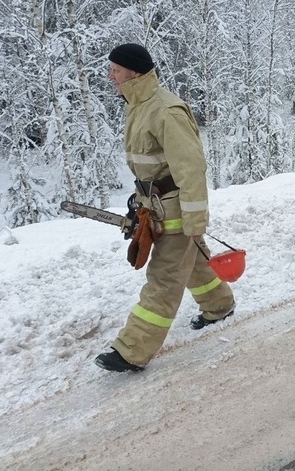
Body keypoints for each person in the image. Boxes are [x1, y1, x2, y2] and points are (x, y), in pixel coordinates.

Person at [95, 43, 235, 372]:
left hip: (175, 213)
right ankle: (219, 305)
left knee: (164, 278)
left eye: (115, 70)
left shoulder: (166, 110)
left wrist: (196, 218)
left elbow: (190, 168)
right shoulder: (138, 105)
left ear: (134, 72)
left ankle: (132, 350)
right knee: (194, 262)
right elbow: (152, 168)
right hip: (156, 207)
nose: (110, 76)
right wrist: (139, 202)